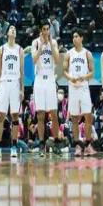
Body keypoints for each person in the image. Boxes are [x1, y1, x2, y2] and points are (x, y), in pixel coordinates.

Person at [63, 29, 96, 156]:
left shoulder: (87, 53)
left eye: (76, 36)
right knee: (74, 118)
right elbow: (64, 70)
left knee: (88, 116)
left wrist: (84, 77)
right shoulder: (68, 53)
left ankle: (87, 145)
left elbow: (92, 72)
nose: (74, 38)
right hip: (73, 88)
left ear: (81, 38)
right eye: (73, 37)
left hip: (83, 88)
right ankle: (77, 145)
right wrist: (70, 77)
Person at [0, 26, 24, 159]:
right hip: (4, 83)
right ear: (7, 34)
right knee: (1, 115)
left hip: (15, 83)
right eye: (11, 29)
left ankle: (14, 147)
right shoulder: (2, 49)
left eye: (15, 29)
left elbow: (22, 71)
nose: (13, 30)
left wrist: (22, 89)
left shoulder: (20, 49)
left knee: (15, 116)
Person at [31, 22, 61, 156]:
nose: (46, 31)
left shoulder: (53, 43)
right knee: (40, 114)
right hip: (39, 79)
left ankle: (56, 142)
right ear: (40, 30)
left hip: (50, 79)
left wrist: (50, 44)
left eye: (48, 29)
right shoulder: (35, 42)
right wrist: (42, 45)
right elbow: (33, 59)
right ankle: (42, 144)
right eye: (44, 29)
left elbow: (57, 60)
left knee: (53, 113)